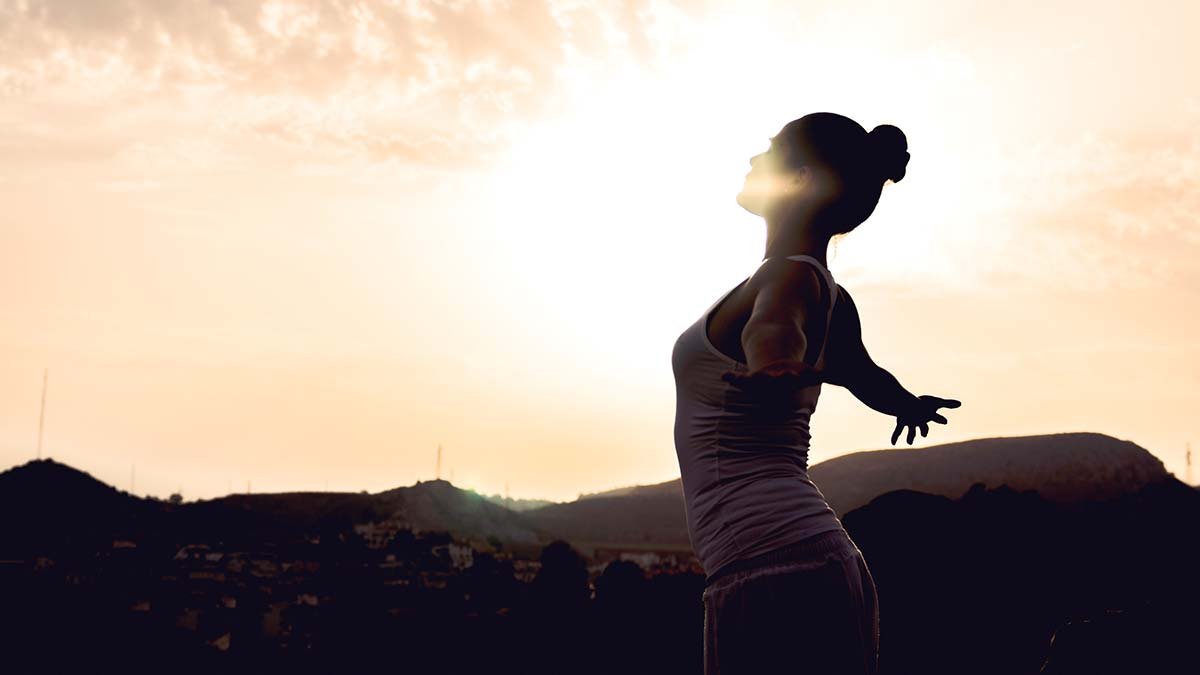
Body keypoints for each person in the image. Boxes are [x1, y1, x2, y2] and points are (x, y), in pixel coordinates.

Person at [671, 112, 962, 674]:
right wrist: (905, 404)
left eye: (771, 151)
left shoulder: (784, 279)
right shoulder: (826, 291)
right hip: (806, 560)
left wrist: (777, 364)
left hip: (772, 567)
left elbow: (775, 332)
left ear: (800, 179)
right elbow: (865, 375)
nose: (754, 160)